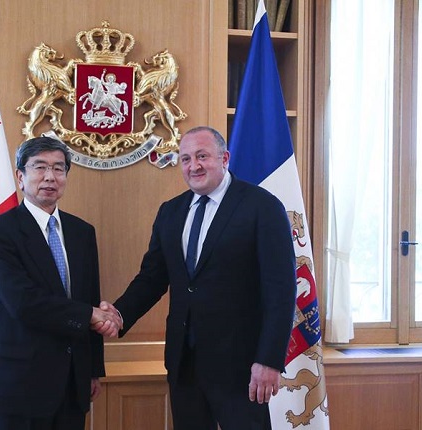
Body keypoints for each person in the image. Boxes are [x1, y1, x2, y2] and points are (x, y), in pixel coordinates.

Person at [98, 126, 297, 430]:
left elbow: (281, 290)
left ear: (224, 158)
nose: (194, 166)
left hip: (242, 366)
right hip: (184, 364)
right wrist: (120, 314)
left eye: (202, 156)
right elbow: (152, 278)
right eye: (186, 159)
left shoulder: (262, 207)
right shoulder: (171, 212)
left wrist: (269, 359)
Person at [0, 136, 121, 430]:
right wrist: (91, 315)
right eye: (39, 167)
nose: (49, 177)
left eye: (58, 168)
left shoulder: (82, 232)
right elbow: (23, 303)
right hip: (21, 384)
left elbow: (90, 297)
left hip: (73, 383)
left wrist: (92, 369)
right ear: (21, 176)